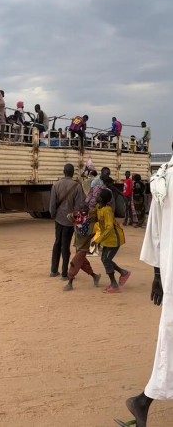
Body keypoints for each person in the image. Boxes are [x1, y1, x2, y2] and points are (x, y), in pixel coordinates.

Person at [119, 150, 173, 426]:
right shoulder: (164, 180)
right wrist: (157, 275)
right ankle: (143, 400)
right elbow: (155, 230)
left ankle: (144, 400)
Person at [91, 188, 130, 293]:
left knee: (106, 261)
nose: (96, 196)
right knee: (104, 259)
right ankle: (123, 273)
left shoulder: (107, 211)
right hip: (108, 240)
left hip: (114, 240)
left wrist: (97, 240)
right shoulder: (99, 207)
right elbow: (92, 213)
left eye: (98, 195)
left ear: (102, 198)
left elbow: (109, 228)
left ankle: (114, 285)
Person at [49, 163, 84, 280]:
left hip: (58, 219)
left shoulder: (56, 185)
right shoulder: (77, 186)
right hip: (70, 221)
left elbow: (52, 205)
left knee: (57, 243)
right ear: (72, 172)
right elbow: (80, 205)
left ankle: (54, 270)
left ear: (64, 172)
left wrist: (54, 215)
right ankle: (64, 274)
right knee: (66, 246)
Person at [63, 203, 101, 291]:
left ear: (88, 210)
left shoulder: (92, 219)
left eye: (85, 209)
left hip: (84, 246)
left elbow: (99, 217)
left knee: (74, 263)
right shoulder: (77, 218)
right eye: (82, 209)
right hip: (78, 245)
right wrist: (74, 214)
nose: (84, 210)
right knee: (83, 263)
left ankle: (70, 283)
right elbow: (68, 216)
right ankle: (95, 276)